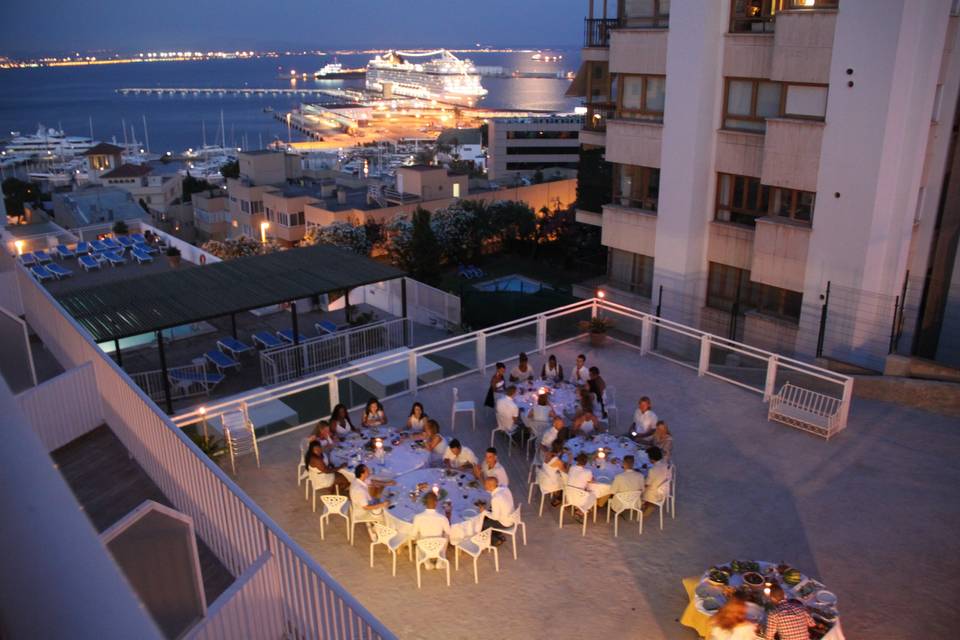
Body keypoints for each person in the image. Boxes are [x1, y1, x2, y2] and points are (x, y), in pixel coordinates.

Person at [349, 464, 390, 540]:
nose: (369, 472)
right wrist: (383, 504)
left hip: (366, 502)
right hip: (363, 511)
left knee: (382, 497)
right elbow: (366, 507)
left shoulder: (358, 480)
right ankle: (376, 530)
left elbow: (371, 481)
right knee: (386, 511)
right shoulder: (359, 490)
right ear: (362, 473)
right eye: (367, 471)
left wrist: (387, 483)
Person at [411, 492, 451, 569]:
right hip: (438, 546)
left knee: (417, 534)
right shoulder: (442, 518)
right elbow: (449, 532)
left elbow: (413, 535)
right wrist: (448, 518)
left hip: (424, 546)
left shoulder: (418, 517)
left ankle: (426, 562)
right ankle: (440, 560)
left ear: (425, 503)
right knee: (446, 535)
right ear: (436, 503)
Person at [480, 476, 515, 545]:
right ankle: (497, 534)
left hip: (505, 523)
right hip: (511, 517)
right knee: (488, 515)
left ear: (489, 486)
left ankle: (495, 540)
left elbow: (495, 517)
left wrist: (484, 511)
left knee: (482, 524)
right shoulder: (505, 489)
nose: (484, 486)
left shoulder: (495, 499)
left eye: (485, 484)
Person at [565, 453, 595, 522]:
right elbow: (592, 481)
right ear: (586, 462)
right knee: (593, 495)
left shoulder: (572, 468)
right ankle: (580, 512)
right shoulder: (588, 472)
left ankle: (580, 509)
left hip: (569, 496)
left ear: (577, 460)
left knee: (585, 490)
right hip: (578, 498)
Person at [538, 440, 568, 507]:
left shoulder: (548, 453)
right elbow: (566, 471)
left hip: (543, 479)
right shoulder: (558, 461)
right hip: (548, 484)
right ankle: (559, 498)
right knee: (566, 481)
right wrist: (570, 458)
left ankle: (556, 495)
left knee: (560, 477)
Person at [642, 446, 671, 513]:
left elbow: (646, 484)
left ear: (651, 458)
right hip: (663, 490)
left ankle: (644, 506)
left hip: (654, 493)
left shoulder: (652, 470)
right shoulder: (665, 464)